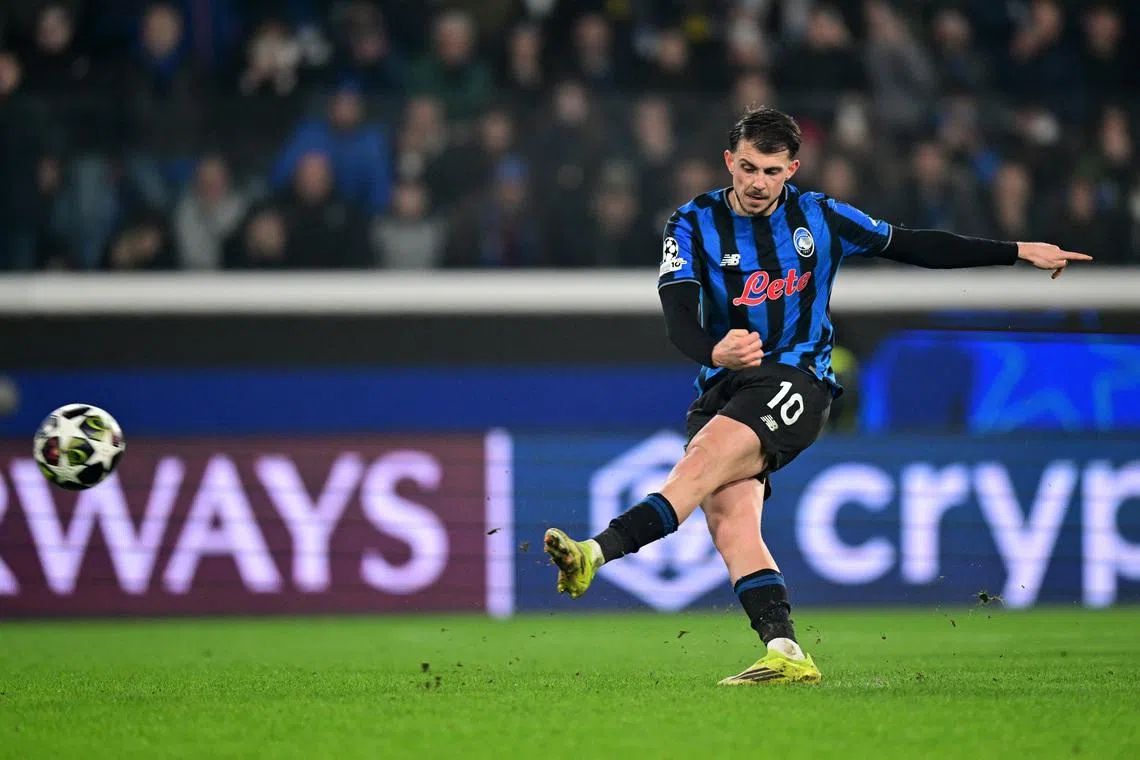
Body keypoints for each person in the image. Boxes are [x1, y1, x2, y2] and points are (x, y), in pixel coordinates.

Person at [542, 105, 1091, 686]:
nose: (758, 183)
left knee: (700, 464)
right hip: (723, 385)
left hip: (797, 380)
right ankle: (786, 652)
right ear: (729, 161)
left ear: (792, 169)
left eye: (771, 171)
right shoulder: (691, 223)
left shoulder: (820, 216)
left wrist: (1015, 250)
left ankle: (594, 553)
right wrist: (714, 351)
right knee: (731, 523)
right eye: (748, 168)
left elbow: (913, 245)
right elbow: (677, 316)